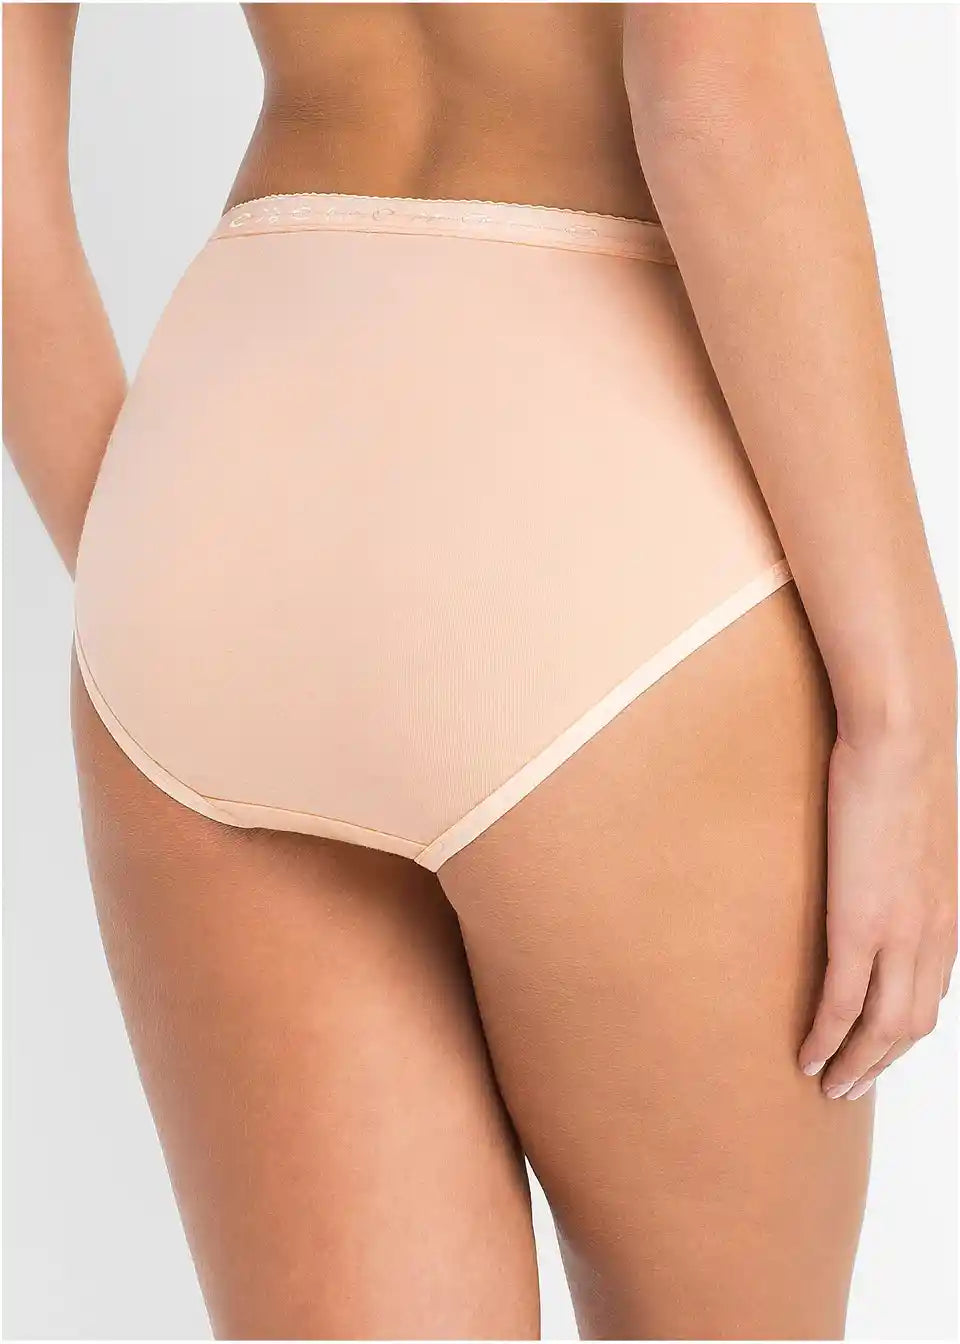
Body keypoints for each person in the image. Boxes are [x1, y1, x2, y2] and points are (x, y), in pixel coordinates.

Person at [4, 4, 955, 1339]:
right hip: (603, 492)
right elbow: (714, 86)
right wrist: (904, 711)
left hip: (226, 445)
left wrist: (157, 572)